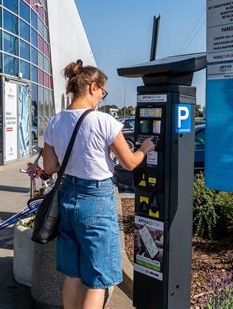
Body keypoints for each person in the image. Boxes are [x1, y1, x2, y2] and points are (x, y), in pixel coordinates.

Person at [42, 60, 155, 309]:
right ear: (93, 87)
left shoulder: (55, 121)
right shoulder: (104, 121)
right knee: (98, 279)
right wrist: (145, 148)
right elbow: (129, 163)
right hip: (96, 201)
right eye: (103, 93)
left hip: (67, 198)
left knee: (72, 274)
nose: (102, 99)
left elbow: (50, 167)